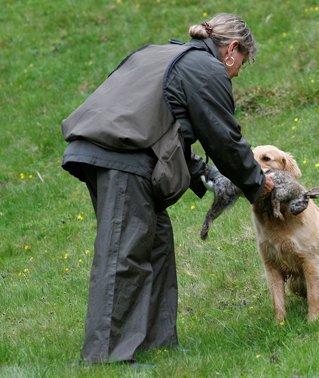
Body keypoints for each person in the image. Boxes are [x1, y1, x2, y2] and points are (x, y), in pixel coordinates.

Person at [60, 13, 274, 364]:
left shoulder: (159, 55)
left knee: (156, 243)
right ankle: (107, 357)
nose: (236, 73)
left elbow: (159, 127)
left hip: (117, 152)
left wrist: (203, 173)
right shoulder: (205, 69)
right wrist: (257, 185)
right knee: (124, 253)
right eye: (242, 65)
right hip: (121, 158)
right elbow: (224, 139)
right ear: (232, 50)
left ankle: (157, 346)